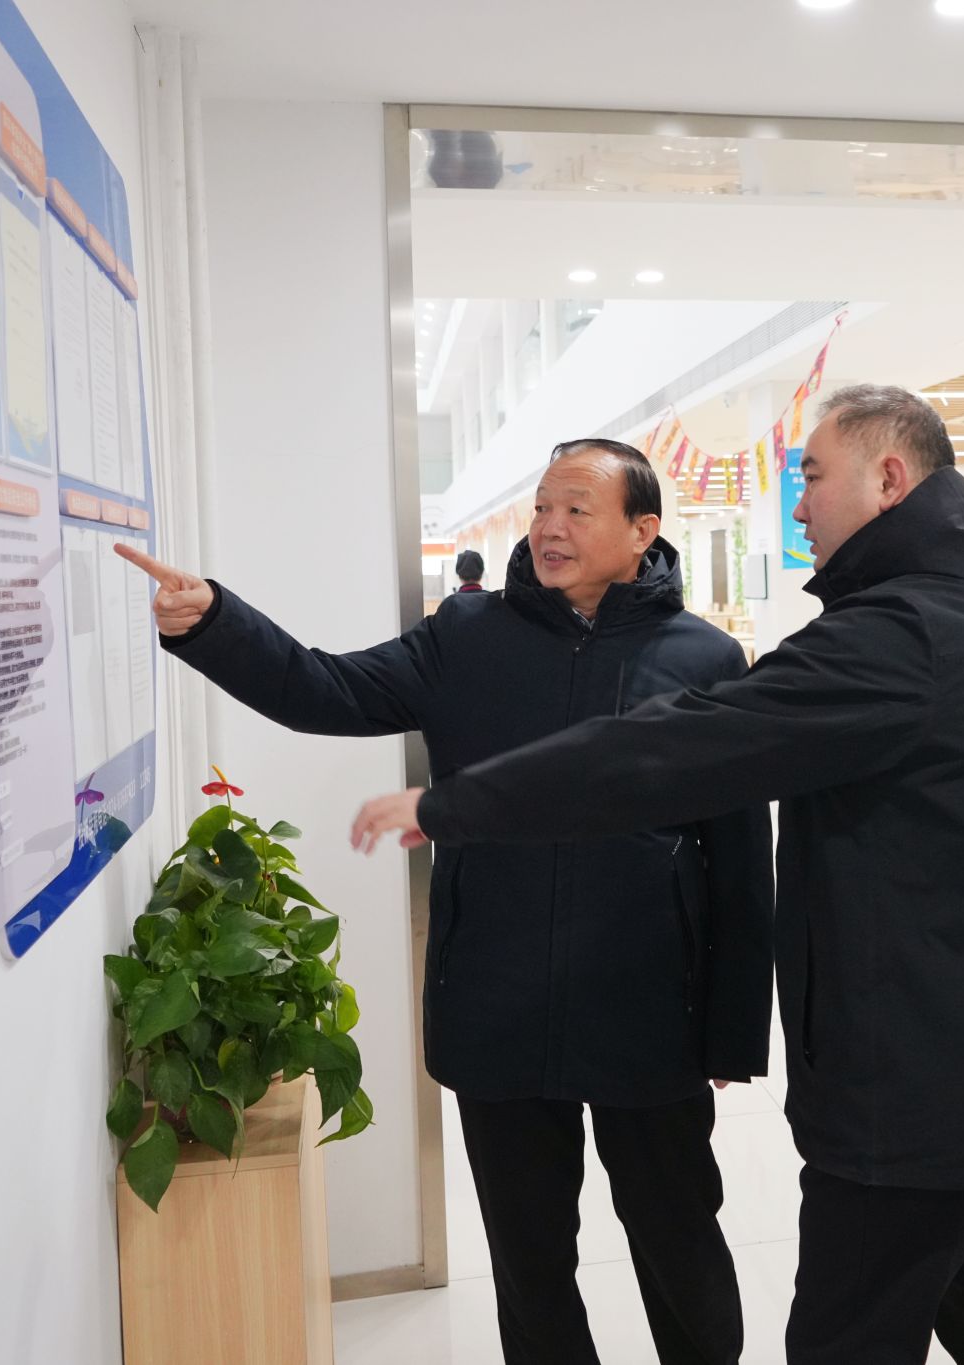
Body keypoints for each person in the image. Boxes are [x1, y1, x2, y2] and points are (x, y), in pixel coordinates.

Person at [351, 384, 964, 1365]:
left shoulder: (899, 635)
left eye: (811, 476)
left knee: (848, 1337)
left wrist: (453, 804)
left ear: (888, 478)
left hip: (912, 1092)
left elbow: (672, 750)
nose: (797, 504)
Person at [116, 439, 772, 1365]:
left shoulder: (705, 658)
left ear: (642, 530)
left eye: (576, 510)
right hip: (498, 1001)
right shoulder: (467, 636)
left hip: (649, 1007)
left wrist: (733, 1030)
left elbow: (739, 855)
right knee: (529, 1259)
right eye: (541, 507)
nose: (548, 528)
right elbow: (326, 687)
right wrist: (216, 622)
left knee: (678, 1237)